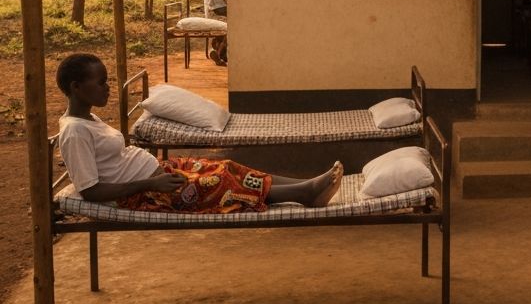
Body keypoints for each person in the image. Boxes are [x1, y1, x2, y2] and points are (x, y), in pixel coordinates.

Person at [57, 53, 342, 213]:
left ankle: (305, 185)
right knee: (221, 182)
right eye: (101, 82)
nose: (107, 87)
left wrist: (153, 174)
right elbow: (91, 190)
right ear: (76, 87)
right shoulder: (74, 132)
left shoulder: (88, 119)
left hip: (155, 174)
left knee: (226, 166)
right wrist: (149, 184)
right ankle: (304, 193)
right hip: (144, 195)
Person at [204, 0, 228, 66]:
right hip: (214, 16)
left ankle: (218, 50)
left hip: (218, 15)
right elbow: (219, 10)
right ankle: (218, 53)